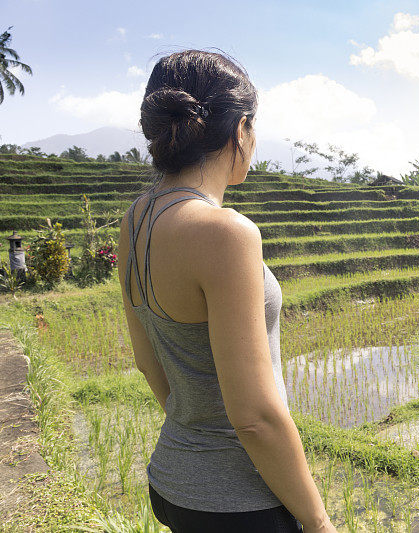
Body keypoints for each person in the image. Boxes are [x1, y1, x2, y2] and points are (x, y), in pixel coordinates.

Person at [117, 49, 336, 532]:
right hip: (241, 504)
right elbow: (255, 416)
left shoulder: (135, 219)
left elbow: (147, 361)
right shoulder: (226, 232)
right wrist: (319, 523)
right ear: (240, 130)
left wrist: (193, 426)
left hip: (174, 482)